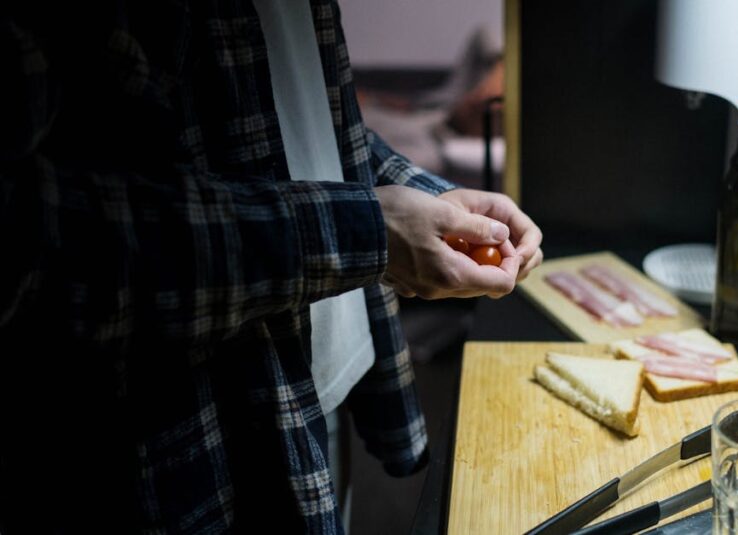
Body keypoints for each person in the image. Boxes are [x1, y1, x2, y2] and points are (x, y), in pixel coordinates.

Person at [0, 2, 541, 533]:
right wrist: (363, 231)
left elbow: (311, 123)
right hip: (188, 441)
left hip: (322, 380)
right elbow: (30, 237)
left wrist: (438, 200)